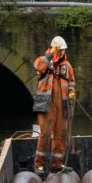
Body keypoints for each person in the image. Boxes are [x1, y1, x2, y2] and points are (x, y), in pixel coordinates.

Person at [32, 35, 76, 173]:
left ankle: (57, 164)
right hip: (47, 105)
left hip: (62, 104)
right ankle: (38, 164)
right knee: (45, 133)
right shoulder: (43, 61)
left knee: (61, 134)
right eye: (60, 50)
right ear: (54, 49)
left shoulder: (67, 66)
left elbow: (71, 82)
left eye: (63, 50)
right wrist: (51, 54)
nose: (62, 52)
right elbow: (38, 66)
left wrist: (71, 92)